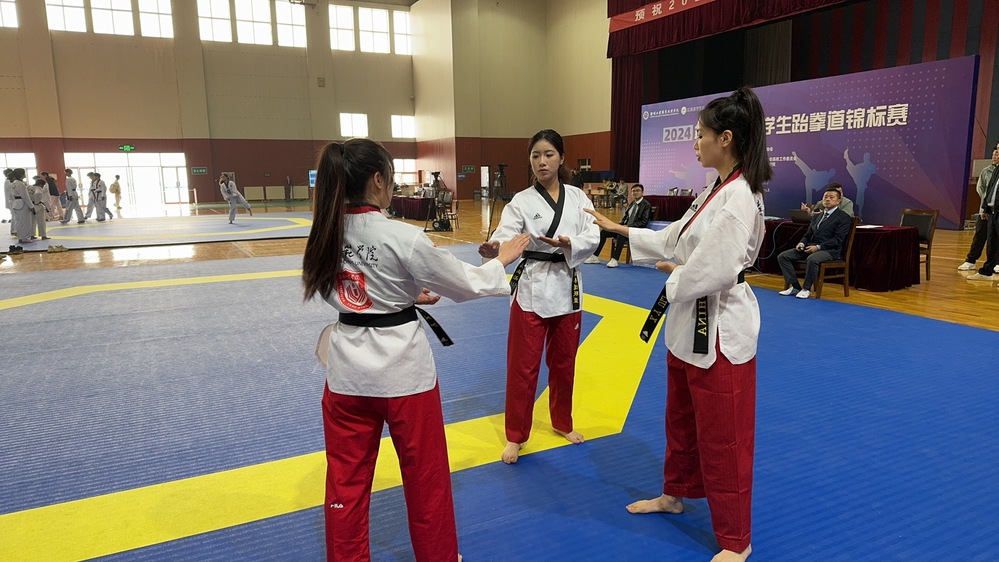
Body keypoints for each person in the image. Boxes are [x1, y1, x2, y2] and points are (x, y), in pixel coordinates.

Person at [302, 138, 529, 562]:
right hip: (404, 376)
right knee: (426, 478)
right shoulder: (402, 237)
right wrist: (502, 260)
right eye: (390, 178)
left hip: (347, 374)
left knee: (345, 483)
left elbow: (355, 290)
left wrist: (403, 295)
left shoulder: (325, 233)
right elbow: (465, 283)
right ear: (377, 180)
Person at [587, 87, 770, 562]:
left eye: (701, 134)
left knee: (725, 436)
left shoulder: (739, 198)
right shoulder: (714, 190)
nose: (695, 142)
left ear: (726, 139)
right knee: (681, 419)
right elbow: (676, 237)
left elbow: (716, 269)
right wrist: (620, 230)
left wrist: (675, 276)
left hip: (721, 326)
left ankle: (737, 540)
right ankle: (675, 493)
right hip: (689, 322)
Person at [478, 129, 600, 465]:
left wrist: (571, 243)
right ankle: (516, 435)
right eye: (535, 155)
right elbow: (506, 235)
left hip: (567, 284)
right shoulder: (521, 201)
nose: (541, 162)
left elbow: (593, 233)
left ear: (561, 158)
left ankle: (562, 421)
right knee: (523, 367)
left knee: (564, 363)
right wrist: (495, 248)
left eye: (548, 154)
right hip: (531, 286)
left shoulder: (578, 197)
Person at [778, 186, 852, 299]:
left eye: (831, 197)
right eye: (825, 197)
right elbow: (808, 234)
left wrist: (818, 247)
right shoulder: (818, 216)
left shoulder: (843, 217)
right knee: (783, 256)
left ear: (838, 201)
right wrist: (802, 243)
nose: (827, 199)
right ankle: (795, 286)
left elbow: (838, 239)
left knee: (812, 259)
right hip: (810, 246)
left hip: (830, 250)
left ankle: (806, 288)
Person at [584, 183, 652, 267]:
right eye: (633, 191)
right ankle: (595, 256)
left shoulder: (646, 205)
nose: (635, 192)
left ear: (642, 192)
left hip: (635, 231)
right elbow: (625, 218)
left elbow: (643, 222)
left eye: (638, 191)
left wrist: (629, 226)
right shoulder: (632, 204)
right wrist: (617, 226)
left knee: (621, 233)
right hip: (625, 228)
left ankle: (615, 259)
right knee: (604, 232)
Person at [958, 141, 999, 272]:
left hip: (997, 211)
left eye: (997, 153)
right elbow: (981, 189)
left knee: (994, 239)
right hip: (986, 208)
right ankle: (971, 260)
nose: (995, 155)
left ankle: (995, 264)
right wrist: (985, 205)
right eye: (994, 153)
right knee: (980, 235)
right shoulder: (987, 171)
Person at [9, 168, 36, 245]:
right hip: (22, 203)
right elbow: (25, 196)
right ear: (21, 174)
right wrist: (31, 206)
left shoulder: (14, 183)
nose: (25, 174)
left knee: (19, 222)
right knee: (26, 222)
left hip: (16, 203)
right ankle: (26, 238)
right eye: (24, 173)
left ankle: (20, 237)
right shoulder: (21, 184)